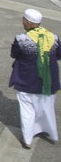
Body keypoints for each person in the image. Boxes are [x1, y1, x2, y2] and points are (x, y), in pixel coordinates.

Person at [10, 8, 59, 148]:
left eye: (24, 20)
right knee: (46, 108)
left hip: (27, 80)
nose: (23, 23)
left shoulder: (22, 39)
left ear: (28, 22)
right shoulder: (53, 38)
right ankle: (48, 132)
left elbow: (14, 54)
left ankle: (27, 139)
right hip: (49, 82)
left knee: (27, 111)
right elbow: (58, 55)